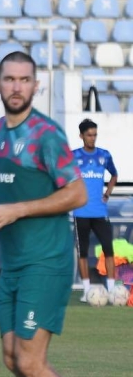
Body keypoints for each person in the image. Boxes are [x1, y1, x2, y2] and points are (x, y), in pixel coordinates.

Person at [0, 52, 107, 377]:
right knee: (12, 358)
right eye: (9, 79)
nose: (16, 87)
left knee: (31, 358)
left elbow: (78, 194)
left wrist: (17, 211)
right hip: (12, 263)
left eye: (24, 80)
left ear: (35, 86)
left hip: (45, 261)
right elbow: (12, 196)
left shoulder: (46, 134)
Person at [72, 119, 119, 302]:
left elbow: (114, 174)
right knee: (82, 252)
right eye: (89, 135)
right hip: (81, 212)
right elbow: (62, 175)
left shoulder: (104, 155)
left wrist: (107, 192)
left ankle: (112, 290)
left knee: (108, 250)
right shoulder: (74, 156)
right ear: (81, 136)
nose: (92, 138)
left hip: (100, 212)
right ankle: (86, 291)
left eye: (95, 135)